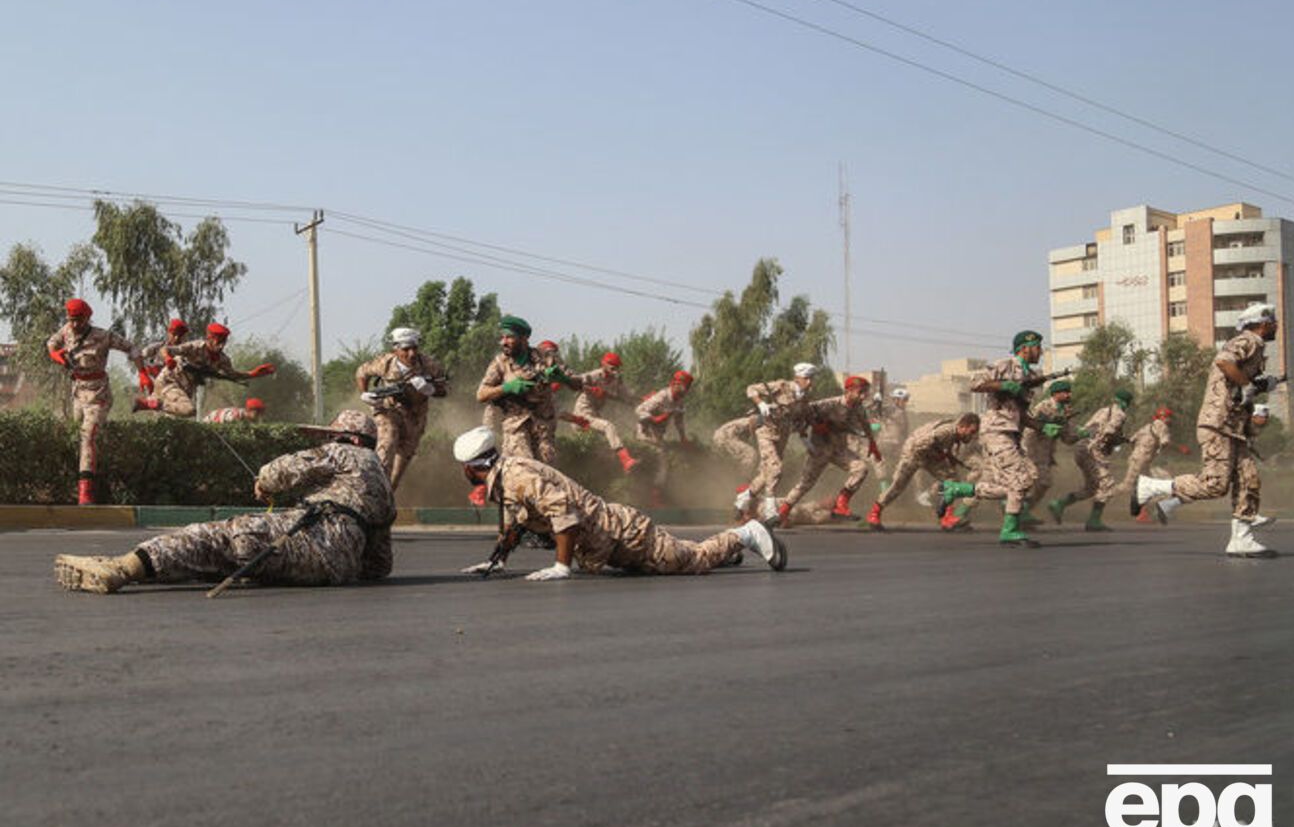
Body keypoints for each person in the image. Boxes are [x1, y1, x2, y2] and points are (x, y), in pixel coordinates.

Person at [54, 410, 396, 593]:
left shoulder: (341, 452)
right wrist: (339, 563)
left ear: (347, 438)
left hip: (312, 537)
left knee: (214, 538)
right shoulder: (382, 479)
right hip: (337, 570)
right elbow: (380, 564)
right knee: (226, 558)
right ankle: (142, 567)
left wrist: (263, 483)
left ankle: (122, 568)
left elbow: (281, 472)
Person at [452, 426, 786, 579]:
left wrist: (561, 567)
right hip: (611, 542)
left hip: (624, 536)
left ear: (470, 467)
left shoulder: (516, 477)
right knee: (681, 553)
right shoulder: (507, 475)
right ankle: (729, 552)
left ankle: (747, 534)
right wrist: (497, 560)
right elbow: (517, 522)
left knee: (693, 560)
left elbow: (563, 515)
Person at [1132, 303, 1281, 557]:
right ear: (1263, 323)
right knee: (1215, 485)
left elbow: (1236, 382)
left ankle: (1241, 539)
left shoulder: (1256, 347)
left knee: (1249, 478)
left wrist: (1260, 383)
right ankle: (1150, 488)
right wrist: (1248, 385)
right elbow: (1224, 362)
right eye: (1273, 321)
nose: (1276, 326)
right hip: (1219, 424)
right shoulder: (1249, 340)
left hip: (1233, 427)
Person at [934, 331, 1047, 547]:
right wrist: (1004, 385)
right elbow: (975, 383)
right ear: (1025, 347)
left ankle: (956, 490)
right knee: (1019, 481)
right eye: (1037, 347)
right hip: (996, 431)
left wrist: (1041, 426)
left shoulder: (1028, 375)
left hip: (1011, 433)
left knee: (1026, 478)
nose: (1040, 351)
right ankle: (1009, 530)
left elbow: (1021, 414)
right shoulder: (1006, 365)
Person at [46, 298, 146, 505]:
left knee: (87, 435)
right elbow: (51, 343)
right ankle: (78, 479)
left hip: (98, 394)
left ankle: (86, 491)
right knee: (74, 434)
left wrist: (143, 372)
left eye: (78, 320)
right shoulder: (66, 330)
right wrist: (56, 355)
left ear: (87, 318)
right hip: (77, 393)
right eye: (71, 319)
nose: (74, 324)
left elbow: (133, 348)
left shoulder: (103, 336)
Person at [355, 326, 448, 491]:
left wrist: (429, 389)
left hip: (415, 416)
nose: (411, 354)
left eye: (415, 348)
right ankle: (376, 490)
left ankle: (388, 494)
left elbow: (444, 390)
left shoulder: (429, 365)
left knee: (401, 464)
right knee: (387, 443)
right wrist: (364, 394)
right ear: (396, 350)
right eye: (406, 349)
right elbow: (361, 372)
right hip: (388, 411)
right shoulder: (385, 362)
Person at [776, 375, 878, 524]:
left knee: (861, 468)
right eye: (860, 392)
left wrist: (873, 444)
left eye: (865, 393)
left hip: (839, 450)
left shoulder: (858, 409)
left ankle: (841, 504)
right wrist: (815, 426)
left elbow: (865, 424)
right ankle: (783, 512)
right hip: (820, 450)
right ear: (848, 391)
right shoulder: (829, 404)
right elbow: (802, 412)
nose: (863, 396)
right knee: (805, 484)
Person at [134, 322, 275, 418]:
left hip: (183, 390)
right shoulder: (195, 347)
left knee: (172, 420)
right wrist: (167, 359)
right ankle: (149, 403)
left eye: (223, 342)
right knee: (189, 410)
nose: (221, 346)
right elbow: (166, 349)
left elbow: (233, 375)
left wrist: (254, 373)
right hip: (170, 381)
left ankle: (149, 404)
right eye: (218, 341)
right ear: (210, 338)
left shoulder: (222, 360)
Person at [866, 412, 980, 531]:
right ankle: (874, 513)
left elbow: (946, 452)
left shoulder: (955, 433)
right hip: (913, 453)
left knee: (952, 479)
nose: (971, 436)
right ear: (963, 427)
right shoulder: (945, 431)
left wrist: (949, 458)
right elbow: (920, 444)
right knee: (898, 486)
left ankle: (947, 516)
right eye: (971, 432)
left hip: (929, 455)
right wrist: (941, 455)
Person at [735, 363, 818, 524]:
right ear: (797, 377)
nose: (809, 382)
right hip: (766, 432)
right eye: (806, 378)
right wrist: (760, 402)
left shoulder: (805, 396)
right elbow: (751, 389)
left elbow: (799, 418)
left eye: (811, 379)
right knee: (776, 468)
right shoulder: (781, 386)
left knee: (766, 474)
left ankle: (743, 498)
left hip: (782, 435)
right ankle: (770, 511)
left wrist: (804, 438)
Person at [476, 315, 559, 463]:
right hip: (514, 424)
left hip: (542, 426)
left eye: (509, 337)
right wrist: (507, 387)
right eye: (502, 337)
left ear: (524, 338)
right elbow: (481, 394)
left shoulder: (542, 357)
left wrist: (559, 376)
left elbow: (569, 381)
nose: (503, 342)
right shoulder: (500, 363)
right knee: (523, 467)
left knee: (546, 471)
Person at [1049, 388, 1132, 531]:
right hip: (1093, 450)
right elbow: (1109, 432)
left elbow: (1090, 427)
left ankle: (1060, 504)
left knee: (1092, 487)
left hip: (1081, 448)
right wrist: (1119, 440)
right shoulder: (1120, 414)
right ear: (1126, 403)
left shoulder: (1103, 411)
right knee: (1106, 484)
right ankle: (1094, 521)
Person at [1019, 380, 1082, 526]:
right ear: (1055, 394)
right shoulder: (1044, 406)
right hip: (1032, 449)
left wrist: (1080, 434)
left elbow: (1067, 438)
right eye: (1065, 392)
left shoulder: (1065, 410)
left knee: (1043, 483)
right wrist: (1050, 423)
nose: (1069, 395)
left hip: (1045, 453)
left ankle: (1023, 511)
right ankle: (1019, 511)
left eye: (1069, 391)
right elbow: (1032, 424)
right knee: (1034, 481)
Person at [569, 351, 638, 473]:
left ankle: (617, 470)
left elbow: (627, 396)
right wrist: (592, 389)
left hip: (594, 415)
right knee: (608, 426)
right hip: (582, 414)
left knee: (609, 439)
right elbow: (576, 382)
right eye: (612, 365)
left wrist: (644, 400)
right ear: (603, 364)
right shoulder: (594, 375)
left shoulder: (616, 380)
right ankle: (625, 460)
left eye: (617, 366)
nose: (615, 369)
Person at [635, 370, 695, 504]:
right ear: (677, 384)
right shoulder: (662, 396)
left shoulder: (679, 401)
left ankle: (653, 496)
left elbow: (679, 421)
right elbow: (639, 410)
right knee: (659, 464)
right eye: (686, 386)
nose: (687, 390)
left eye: (688, 387)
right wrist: (654, 419)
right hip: (645, 432)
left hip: (658, 436)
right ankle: (651, 497)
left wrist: (683, 438)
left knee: (661, 466)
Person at [1121, 406, 1180, 522]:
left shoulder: (1147, 427)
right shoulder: (1162, 426)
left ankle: (1144, 513)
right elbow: (1165, 443)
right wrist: (1180, 449)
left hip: (1141, 461)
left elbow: (1132, 440)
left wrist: (1137, 453)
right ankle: (1102, 496)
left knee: (1145, 487)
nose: (1170, 420)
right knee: (1128, 486)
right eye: (1168, 417)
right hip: (1144, 462)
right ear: (1163, 417)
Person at [140, 318, 189, 388]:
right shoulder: (156, 348)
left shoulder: (188, 353)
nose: (176, 338)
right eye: (174, 334)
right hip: (156, 388)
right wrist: (146, 372)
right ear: (168, 333)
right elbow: (139, 356)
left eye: (180, 336)